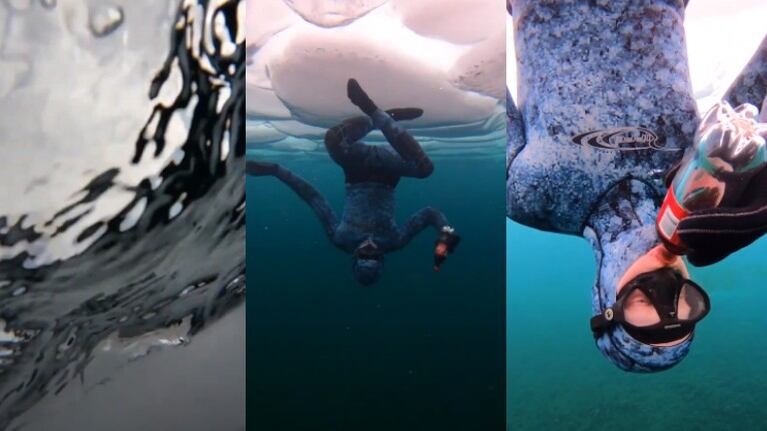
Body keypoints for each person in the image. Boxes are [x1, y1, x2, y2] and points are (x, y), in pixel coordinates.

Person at [505, 0, 725, 372]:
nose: (665, 291)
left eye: (643, 309)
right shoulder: (700, 187)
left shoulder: (531, 199)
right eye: (685, 305)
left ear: (604, 302)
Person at [249, 79, 460, 286]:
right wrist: (447, 232)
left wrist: (276, 171)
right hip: (389, 170)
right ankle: (380, 115)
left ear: (354, 258)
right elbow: (431, 213)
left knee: (333, 141)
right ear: (382, 260)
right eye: (374, 256)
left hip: (357, 169)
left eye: (363, 255)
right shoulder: (395, 241)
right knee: (425, 169)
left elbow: (314, 198)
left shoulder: (341, 239)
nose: (369, 248)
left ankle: (378, 116)